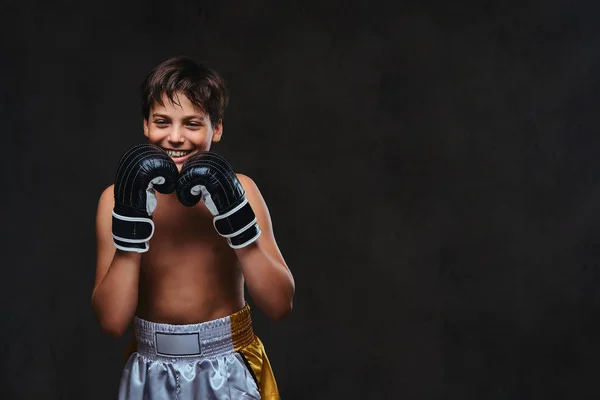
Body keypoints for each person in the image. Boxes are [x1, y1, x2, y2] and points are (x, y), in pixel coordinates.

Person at [91, 56, 294, 400]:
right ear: (145, 125)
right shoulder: (115, 199)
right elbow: (112, 322)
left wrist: (237, 220)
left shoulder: (242, 189)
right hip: (150, 372)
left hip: (227, 368)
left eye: (192, 124)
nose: (175, 137)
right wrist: (131, 222)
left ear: (216, 128)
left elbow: (279, 304)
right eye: (162, 121)